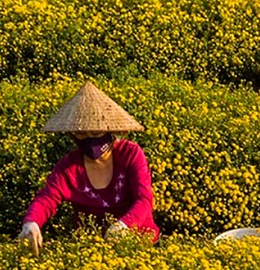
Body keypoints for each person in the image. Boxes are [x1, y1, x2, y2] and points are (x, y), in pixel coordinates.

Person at [19, 81, 160, 253]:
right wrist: (31, 222)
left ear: (109, 132)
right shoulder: (69, 166)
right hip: (92, 251)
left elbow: (144, 199)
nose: (88, 139)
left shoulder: (130, 153)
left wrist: (123, 226)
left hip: (139, 246)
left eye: (95, 133)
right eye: (81, 133)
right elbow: (46, 198)